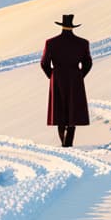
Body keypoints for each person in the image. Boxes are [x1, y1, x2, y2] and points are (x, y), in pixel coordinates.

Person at [40, 14, 92, 147]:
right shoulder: (83, 43)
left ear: (61, 26)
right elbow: (88, 63)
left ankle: (65, 143)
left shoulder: (51, 42)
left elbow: (44, 63)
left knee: (59, 111)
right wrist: (79, 76)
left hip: (57, 78)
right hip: (75, 78)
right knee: (73, 110)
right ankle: (68, 142)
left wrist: (51, 76)